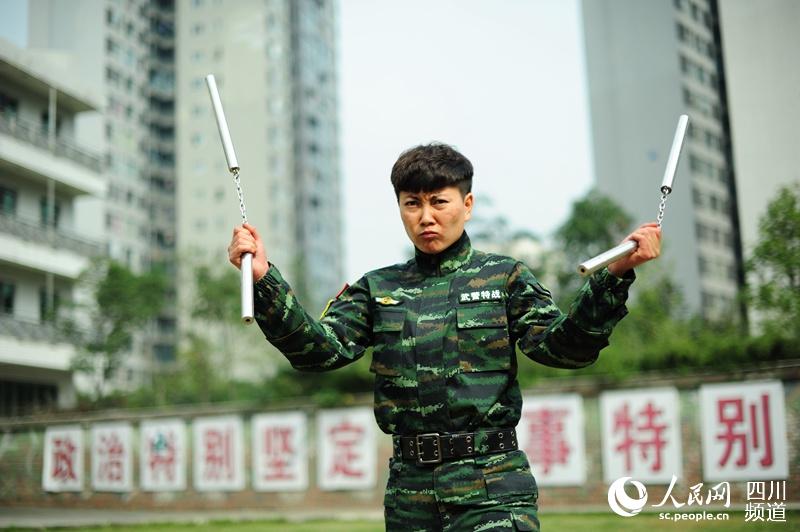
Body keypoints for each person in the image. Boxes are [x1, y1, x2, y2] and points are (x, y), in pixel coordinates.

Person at [228, 143, 661, 531]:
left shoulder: (504, 278)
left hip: (492, 486)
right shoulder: (377, 289)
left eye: (439, 201)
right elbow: (318, 353)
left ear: (467, 204)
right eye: (412, 203)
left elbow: (564, 350)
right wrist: (264, 281)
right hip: (410, 495)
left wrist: (614, 279)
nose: (426, 216)